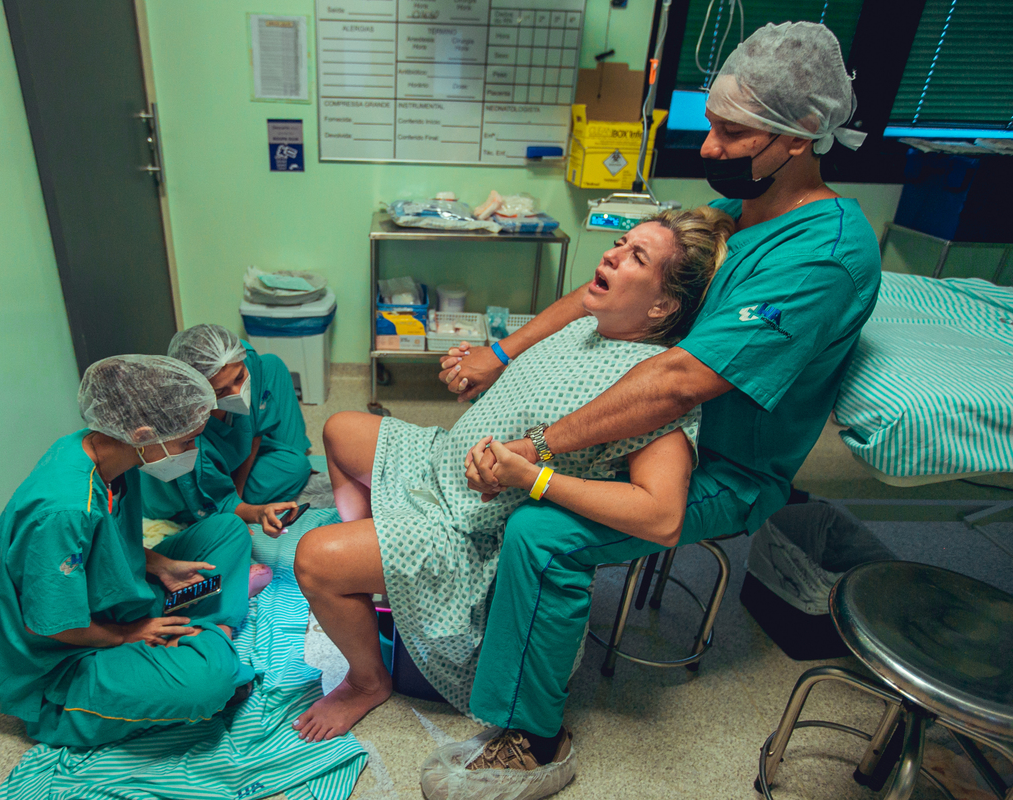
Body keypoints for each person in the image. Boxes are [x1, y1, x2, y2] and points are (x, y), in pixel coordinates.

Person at [434, 22, 880, 791]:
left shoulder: (824, 258)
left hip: (725, 465)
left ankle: (536, 740)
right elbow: (597, 293)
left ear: (803, 133)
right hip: (666, 424)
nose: (708, 149)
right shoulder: (739, 217)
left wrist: (541, 451)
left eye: (732, 133)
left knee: (543, 530)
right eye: (711, 124)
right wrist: (501, 356)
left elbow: (679, 383)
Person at [292, 207, 736, 748]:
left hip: (468, 528)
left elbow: (663, 517)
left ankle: (366, 681)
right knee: (339, 429)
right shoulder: (587, 323)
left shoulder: (653, 389)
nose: (611, 254)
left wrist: (533, 477)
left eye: (635, 257)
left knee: (314, 559)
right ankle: (378, 584)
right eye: (621, 242)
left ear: (663, 304)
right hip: (440, 463)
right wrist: (489, 363)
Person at [0, 355, 257, 748]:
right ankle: (206, 641)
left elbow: (104, 543)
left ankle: (206, 634)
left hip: (116, 595)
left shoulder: (108, 452)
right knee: (208, 684)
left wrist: (160, 564)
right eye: (187, 442)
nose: (193, 450)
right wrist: (129, 634)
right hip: (65, 658)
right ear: (143, 434)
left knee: (228, 530)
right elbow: (53, 623)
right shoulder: (64, 511)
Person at [141, 324, 312, 536]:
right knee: (220, 511)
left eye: (240, 377)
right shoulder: (191, 435)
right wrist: (244, 510)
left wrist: (238, 490)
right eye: (220, 391)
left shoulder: (244, 356)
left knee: (271, 365)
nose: (239, 393)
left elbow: (256, 430)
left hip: (229, 460)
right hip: (183, 493)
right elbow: (219, 502)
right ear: (197, 394)